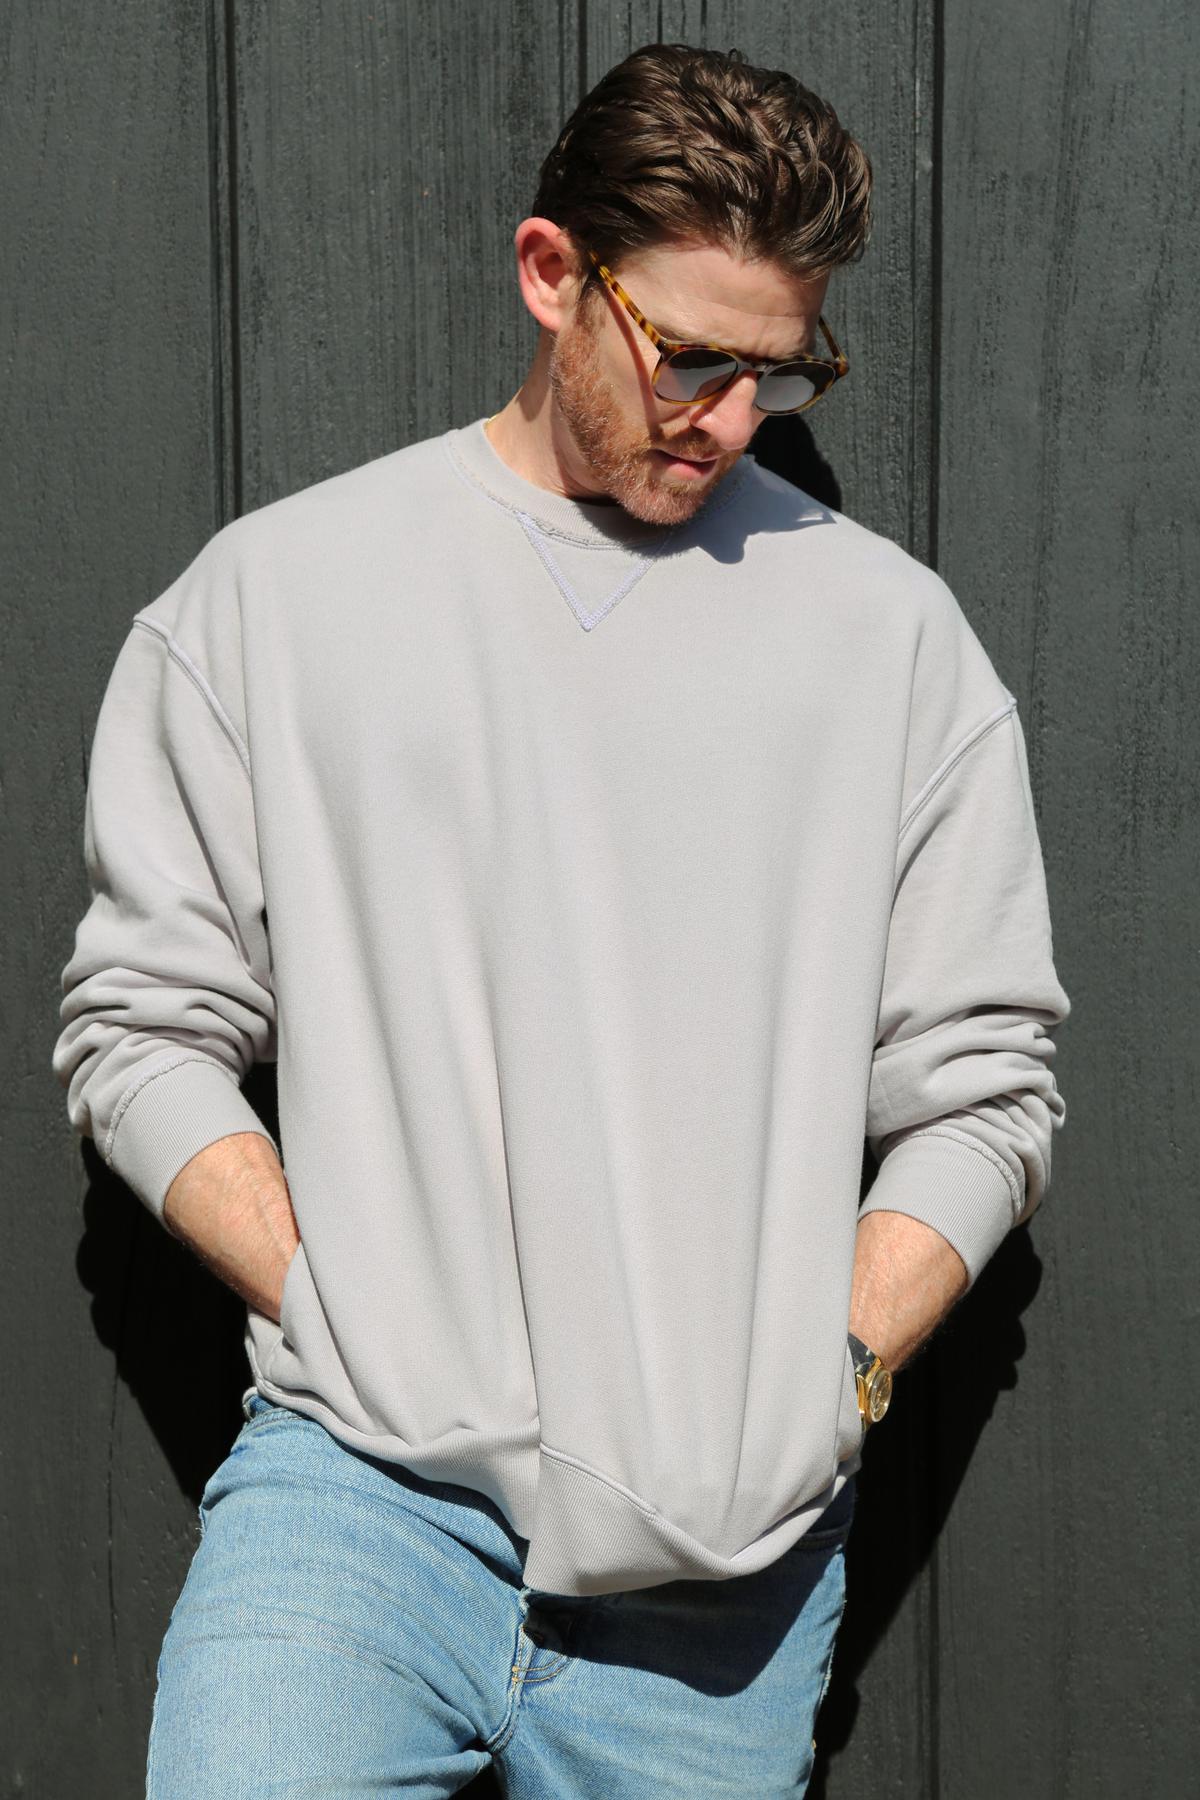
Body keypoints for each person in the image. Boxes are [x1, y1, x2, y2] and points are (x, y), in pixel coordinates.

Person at [53, 40, 1070, 1798]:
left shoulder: (893, 646)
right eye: (690, 358)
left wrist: (819, 1376)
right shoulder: (279, 601)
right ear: (550, 275)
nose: (735, 420)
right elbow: (140, 1027)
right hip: (356, 1506)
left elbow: (986, 1088)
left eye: (782, 368)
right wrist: (345, 1302)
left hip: (724, 1577)